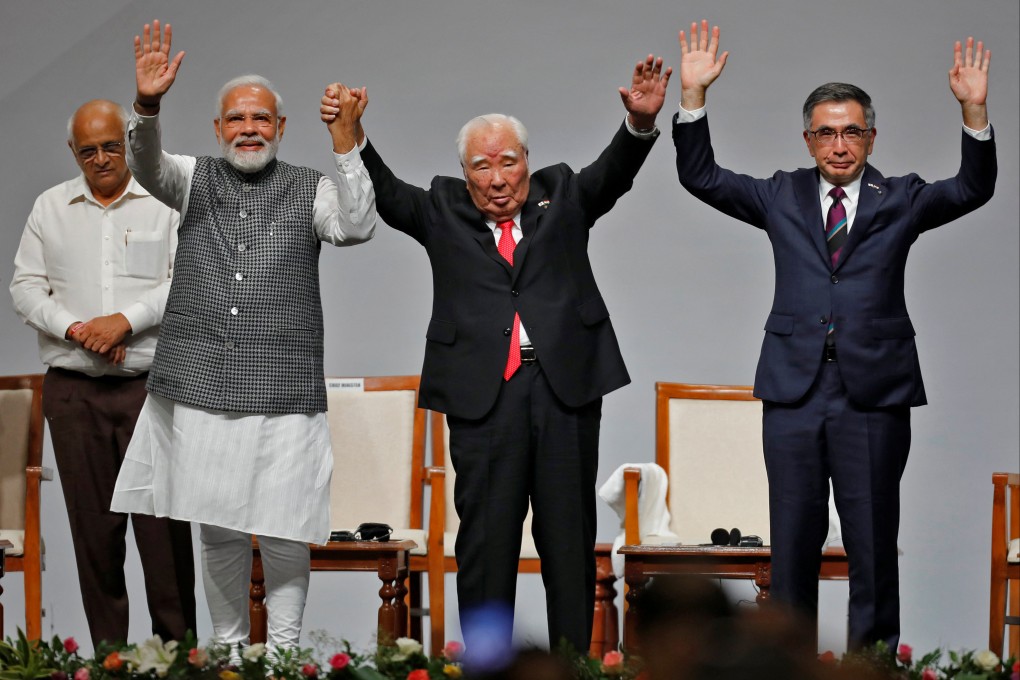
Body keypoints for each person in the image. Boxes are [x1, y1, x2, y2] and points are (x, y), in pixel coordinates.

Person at [321, 54, 670, 654]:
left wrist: (638, 123)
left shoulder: (562, 194)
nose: (498, 178)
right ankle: (487, 665)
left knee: (568, 541)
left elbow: (611, 173)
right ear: (465, 172)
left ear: (527, 164)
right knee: (485, 546)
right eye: (482, 166)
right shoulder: (441, 208)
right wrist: (351, 137)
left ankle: (570, 668)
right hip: (485, 399)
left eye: (509, 162)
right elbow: (385, 192)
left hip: (563, 391)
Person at [671, 20, 996, 650]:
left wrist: (975, 111)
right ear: (808, 138)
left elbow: (972, 188)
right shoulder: (780, 193)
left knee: (872, 544)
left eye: (851, 132)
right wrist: (693, 100)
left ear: (871, 138)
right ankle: (788, 667)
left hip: (873, 393)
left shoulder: (900, 197)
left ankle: (871, 668)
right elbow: (702, 177)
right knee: (791, 544)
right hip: (793, 393)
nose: (839, 144)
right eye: (826, 132)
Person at [109, 21, 376, 652]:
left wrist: (346, 145)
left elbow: (359, 225)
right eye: (235, 119)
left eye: (261, 118)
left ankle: (282, 657)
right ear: (218, 129)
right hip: (198, 385)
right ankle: (229, 654)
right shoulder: (189, 177)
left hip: (283, 390)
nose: (248, 128)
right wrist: (146, 106)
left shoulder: (309, 187)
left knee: (285, 529)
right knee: (220, 532)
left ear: (281, 129)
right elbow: (142, 163)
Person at [10, 99, 196, 647]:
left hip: (152, 390)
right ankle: (110, 661)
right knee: (95, 539)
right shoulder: (50, 207)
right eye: (87, 150)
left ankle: (179, 659)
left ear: (128, 143)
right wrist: (78, 330)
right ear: (73, 152)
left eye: (111, 146)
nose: (101, 159)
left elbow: (184, 276)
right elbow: (25, 288)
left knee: (164, 540)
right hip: (73, 396)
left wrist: (123, 322)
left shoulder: (164, 202)